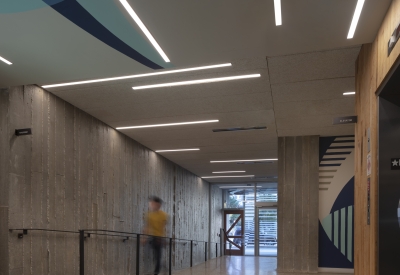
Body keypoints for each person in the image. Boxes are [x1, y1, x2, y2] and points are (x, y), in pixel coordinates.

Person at [143, 196, 168, 275]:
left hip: (159, 237)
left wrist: (163, 238)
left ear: (158, 205)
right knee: (154, 256)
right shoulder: (149, 214)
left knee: (157, 256)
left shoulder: (163, 215)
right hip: (151, 237)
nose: (151, 205)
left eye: (153, 203)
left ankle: (156, 272)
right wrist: (144, 237)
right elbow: (147, 226)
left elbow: (164, 227)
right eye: (151, 203)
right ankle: (162, 265)